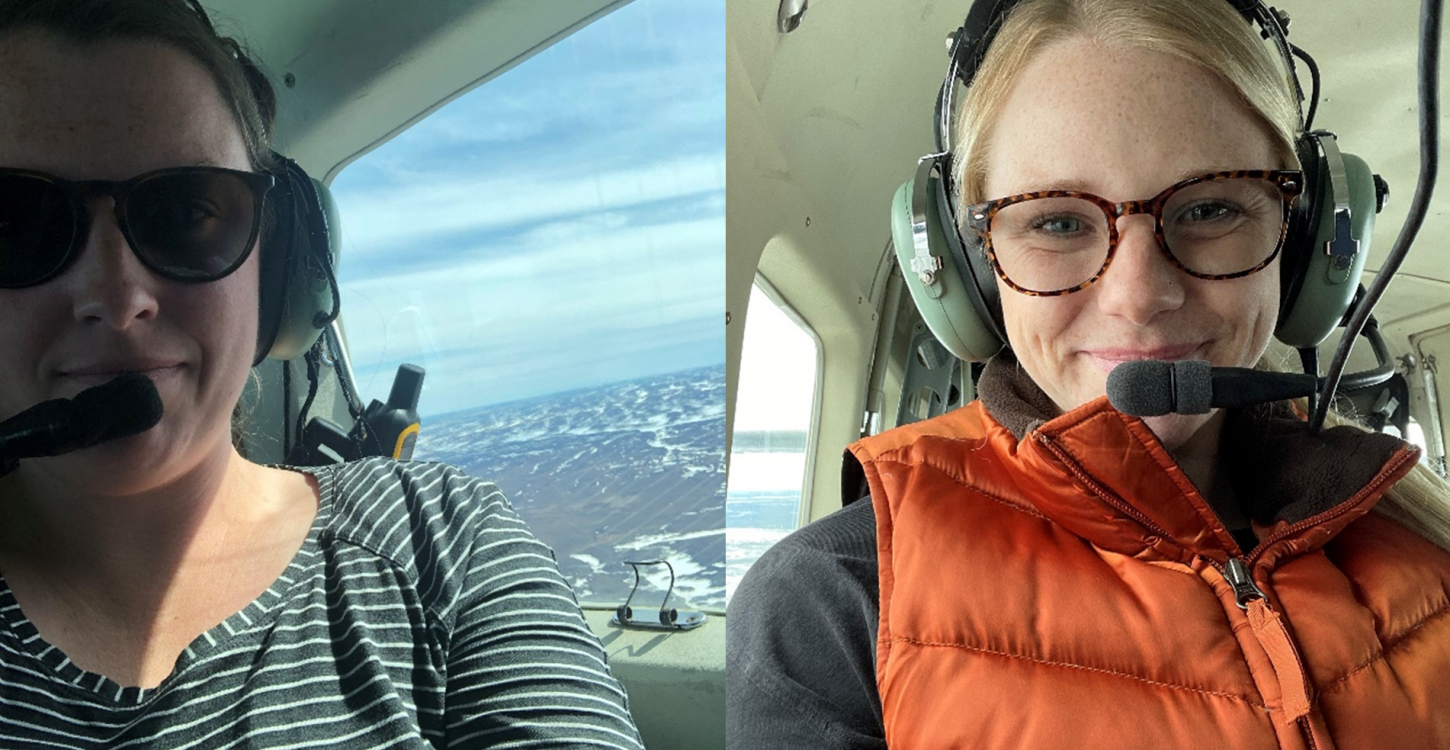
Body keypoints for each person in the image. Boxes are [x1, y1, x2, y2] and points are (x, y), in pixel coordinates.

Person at [727, 0, 1450, 747]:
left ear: (1306, 243)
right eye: (1056, 222)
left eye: (1208, 208)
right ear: (967, 268)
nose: (1141, 298)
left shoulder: (1423, 545)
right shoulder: (836, 598)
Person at [0, 1, 645, 747]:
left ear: (275, 269)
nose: (115, 300)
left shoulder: (442, 541)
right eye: (12, 222)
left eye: (184, 212)